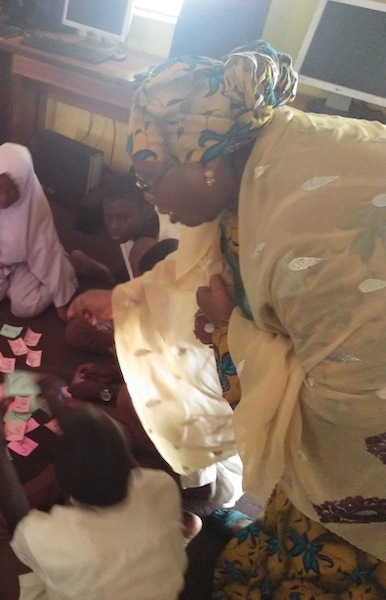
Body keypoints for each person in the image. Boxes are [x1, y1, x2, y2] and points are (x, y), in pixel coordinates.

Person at [72, 40, 386, 596]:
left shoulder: (298, 232)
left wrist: (230, 329)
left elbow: (343, 410)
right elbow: (200, 271)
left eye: (152, 180)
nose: (152, 199)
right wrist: (126, 299)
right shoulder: (262, 163)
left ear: (209, 162)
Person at [0, 378, 187, 600]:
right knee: (84, 465)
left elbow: (21, 523)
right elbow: (101, 447)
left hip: (63, 572)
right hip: (131, 576)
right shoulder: (161, 486)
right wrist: (56, 401)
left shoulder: (61, 541)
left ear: (67, 493)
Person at [66, 171, 181, 356]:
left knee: (75, 333)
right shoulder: (136, 226)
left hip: (162, 311)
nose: (113, 226)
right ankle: (103, 270)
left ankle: (117, 348)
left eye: (122, 217)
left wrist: (113, 317)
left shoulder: (152, 248)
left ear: (148, 211)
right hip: (139, 281)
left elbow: (152, 308)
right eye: (108, 217)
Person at [0, 142, 78, 319]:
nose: (2, 198)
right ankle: (13, 284)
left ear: (23, 186)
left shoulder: (35, 202)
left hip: (28, 261)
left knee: (23, 307)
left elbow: (45, 250)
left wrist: (61, 300)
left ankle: (69, 267)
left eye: (12, 191)